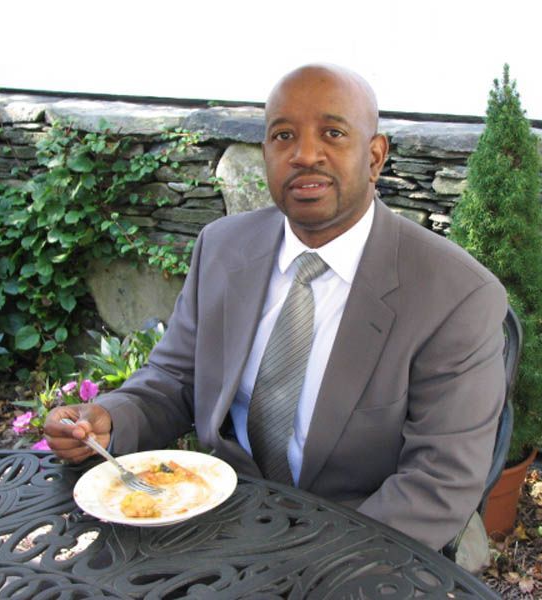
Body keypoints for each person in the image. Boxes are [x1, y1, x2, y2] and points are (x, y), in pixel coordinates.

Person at [45, 64, 507, 551]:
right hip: (218, 518)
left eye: (332, 133)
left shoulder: (455, 295)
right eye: (283, 135)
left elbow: (438, 484)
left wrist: (305, 567)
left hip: (357, 541)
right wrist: (110, 420)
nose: (305, 155)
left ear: (374, 156)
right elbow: (175, 379)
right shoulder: (223, 248)